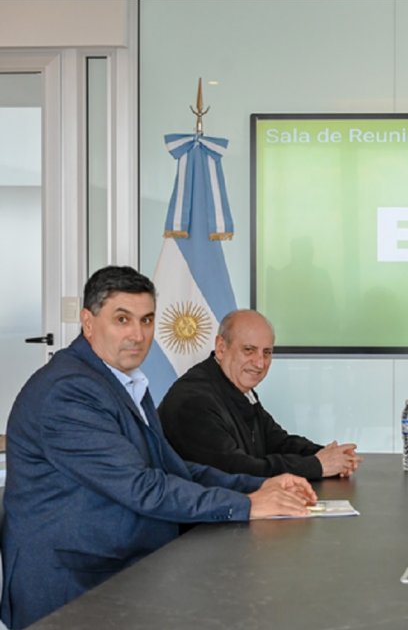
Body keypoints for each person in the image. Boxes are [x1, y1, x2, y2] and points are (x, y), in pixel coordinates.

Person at [0, 267, 317, 630]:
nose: (138, 335)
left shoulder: (123, 381)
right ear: (88, 322)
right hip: (72, 585)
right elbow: (142, 487)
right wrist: (246, 505)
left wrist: (259, 486)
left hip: (122, 567)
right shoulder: (69, 392)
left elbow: (172, 468)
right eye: (122, 319)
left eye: (147, 320)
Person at [159, 309, 361, 480]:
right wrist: (316, 465)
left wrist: (327, 455)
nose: (260, 363)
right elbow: (237, 471)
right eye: (249, 350)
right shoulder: (193, 402)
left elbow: (277, 441)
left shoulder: (236, 387)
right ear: (221, 348)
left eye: (267, 352)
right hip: (202, 516)